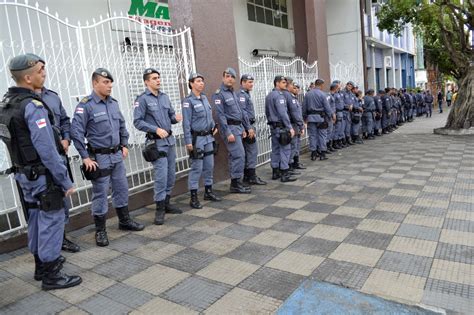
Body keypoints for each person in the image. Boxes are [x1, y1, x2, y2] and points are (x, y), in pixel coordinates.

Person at [0, 53, 81, 290]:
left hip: (24, 174)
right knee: (51, 221)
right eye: (40, 71)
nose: (44, 74)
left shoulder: (6, 104)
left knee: (36, 218)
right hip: (43, 176)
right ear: (27, 77)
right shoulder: (32, 107)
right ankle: (52, 275)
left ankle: (40, 266)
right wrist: (65, 181)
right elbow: (47, 150)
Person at [71, 68, 144, 247]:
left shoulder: (113, 103)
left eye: (110, 82)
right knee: (100, 193)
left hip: (116, 155)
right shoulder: (86, 105)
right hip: (99, 158)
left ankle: (124, 221)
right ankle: (100, 230)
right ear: (95, 83)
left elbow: (121, 125)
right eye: (105, 82)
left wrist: (124, 144)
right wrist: (85, 157)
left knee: (121, 188)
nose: (110, 85)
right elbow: (76, 132)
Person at [133, 68, 183, 225]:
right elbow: (137, 122)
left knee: (171, 175)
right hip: (156, 144)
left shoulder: (165, 97)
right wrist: (155, 129)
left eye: (159, 78)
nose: (158, 80)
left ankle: (166, 203)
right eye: (154, 78)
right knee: (161, 176)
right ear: (147, 81)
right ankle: (159, 208)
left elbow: (171, 117)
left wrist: (175, 118)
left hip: (169, 141)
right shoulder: (142, 99)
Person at [35, 86, 80, 253]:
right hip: (38, 161)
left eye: (43, 69)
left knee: (62, 195)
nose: (43, 73)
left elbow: (64, 121)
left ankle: (61, 237)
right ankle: (49, 243)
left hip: (59, 155)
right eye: (39, 70)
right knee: (45, 200)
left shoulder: (52, 97)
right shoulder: (25, 102)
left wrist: (66, 139)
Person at [182, 73, 221, 209]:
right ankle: (193, 197)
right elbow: (186, 123)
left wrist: (213, 126)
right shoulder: (188, 101)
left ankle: (208, 191)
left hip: (208, 138)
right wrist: (188, 142)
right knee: (196, 168)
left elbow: (208, 117)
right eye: (198, 81)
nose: (201, 83)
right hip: (197, 139)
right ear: (191, 84)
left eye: (202, 81)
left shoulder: (204, 98)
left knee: (209, 166)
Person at [212, 67, 254, 194]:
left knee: (235, 156)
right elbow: (220, 115)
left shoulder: (232, 93)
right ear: (223, 78)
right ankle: (236, 184)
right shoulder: (219, 94)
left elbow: (241, 112)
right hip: (229, 128)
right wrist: (228, 132)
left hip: (238, 127)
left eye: (232, 77)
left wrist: (245, 127)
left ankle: (236, 183)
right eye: (228, 76)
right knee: (239, 155)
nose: (230, 79)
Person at [265, 75, 297, 182]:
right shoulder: (279, 96)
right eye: (283, 82)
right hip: (281, 127)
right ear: (277, 83)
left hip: (273, 127)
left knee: (275, 149)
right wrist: (290, 127)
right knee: (285, 150)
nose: (285, 84)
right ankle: (284, 173)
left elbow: (267, 112)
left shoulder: (269, 95)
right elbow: (283, 113)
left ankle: (275, 171)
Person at [238, 74, 266, 185]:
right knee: (252, 151)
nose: (251, 84)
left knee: (249, 151)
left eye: (252, 82)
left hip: (248, 125)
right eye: (249, 82)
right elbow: (243, 112)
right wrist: (249, 127)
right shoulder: (241, 95)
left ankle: (248, 176)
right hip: (247, 126)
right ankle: (251, 176)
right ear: (243, 83)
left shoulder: (246, 94)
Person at [302, 78, 335, 161]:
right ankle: (322, 153)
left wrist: (304, 118)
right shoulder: (322, 94)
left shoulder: (308, 94)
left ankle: (313, 153)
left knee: (312, 136)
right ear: (321, 85)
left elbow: (304, 107)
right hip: (321, 118)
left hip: (311, 118)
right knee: (322, 135)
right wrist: (331, 115)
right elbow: (327, 107)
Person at [286, 80, 306, 169]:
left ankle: (296, 162)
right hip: (294, 124)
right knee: (293, 145)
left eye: (297, 88)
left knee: (297, 145)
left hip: (297, 124)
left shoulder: (295, 99)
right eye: (294, 88)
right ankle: (290, 164)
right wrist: (301, 125)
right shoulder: (291, 99)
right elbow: (295, 114)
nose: (296, 90)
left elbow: (299, 114)